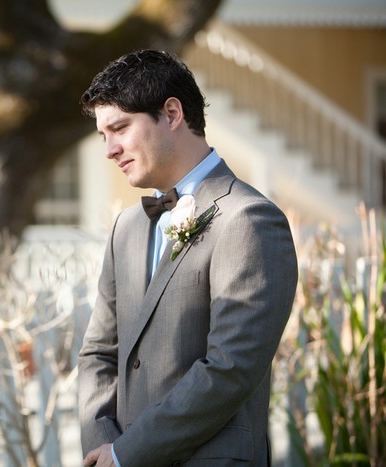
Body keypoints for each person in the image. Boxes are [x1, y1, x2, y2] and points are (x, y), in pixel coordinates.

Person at [77, 49, 298, 466]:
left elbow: (229, 369)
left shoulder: (249, 219)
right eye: (102, 135)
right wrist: (103, 448)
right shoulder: (125, 229)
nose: (109, 149)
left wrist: (128, 453)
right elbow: (98, 355)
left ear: (173, 113)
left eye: (120, 128)